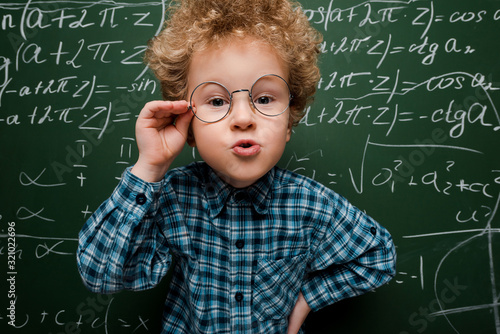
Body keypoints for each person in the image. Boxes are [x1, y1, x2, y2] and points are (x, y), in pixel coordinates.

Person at [77, 0, 397, 333]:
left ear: (290, 119)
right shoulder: (173, 198)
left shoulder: (310, 205)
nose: (243, 118)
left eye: (264, 99)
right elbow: (101, 275)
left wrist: (306, 301)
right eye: (217, 101)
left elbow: (378, 255)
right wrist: (148, 167)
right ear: (187, 122)